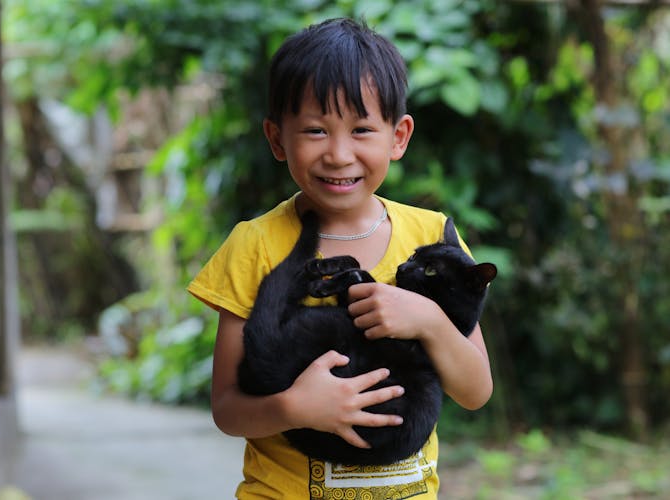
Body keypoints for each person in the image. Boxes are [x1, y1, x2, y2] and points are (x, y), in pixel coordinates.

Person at [187, 17, 493, 499]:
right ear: (276, 138)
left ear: (398, 137)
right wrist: (294, 408)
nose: (338, 153)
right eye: (314, 130)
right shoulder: (256, 244)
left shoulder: (432, 236)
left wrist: (430, 321)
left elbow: (475, 392)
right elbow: (227, 409)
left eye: (362, 129)